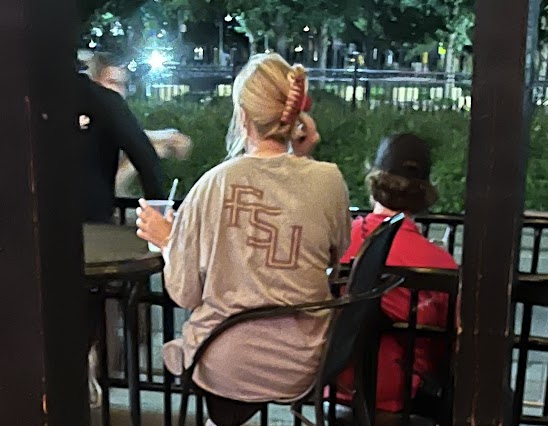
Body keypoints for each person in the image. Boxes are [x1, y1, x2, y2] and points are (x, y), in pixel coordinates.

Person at [136, 53, 350, 407]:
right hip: (305, 364)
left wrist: (169, 241)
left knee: (189, 347)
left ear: (243, 116)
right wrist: (303, 159)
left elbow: (186, 294)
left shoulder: (214, 184)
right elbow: (336, 253)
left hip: (225, 362)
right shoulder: (330, 180)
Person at [338, 132, 458, 415]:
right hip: (403, 393)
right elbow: (448, 347)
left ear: (374, 184)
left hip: (336, 381)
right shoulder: (441, 264)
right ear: (425, 195)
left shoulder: (340, 241)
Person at [79, 69, 166, 223]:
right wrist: (157, 213)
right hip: (92, 217)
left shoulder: (38, 101)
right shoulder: (105, 102)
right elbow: (145, 158)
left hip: (41, 215)